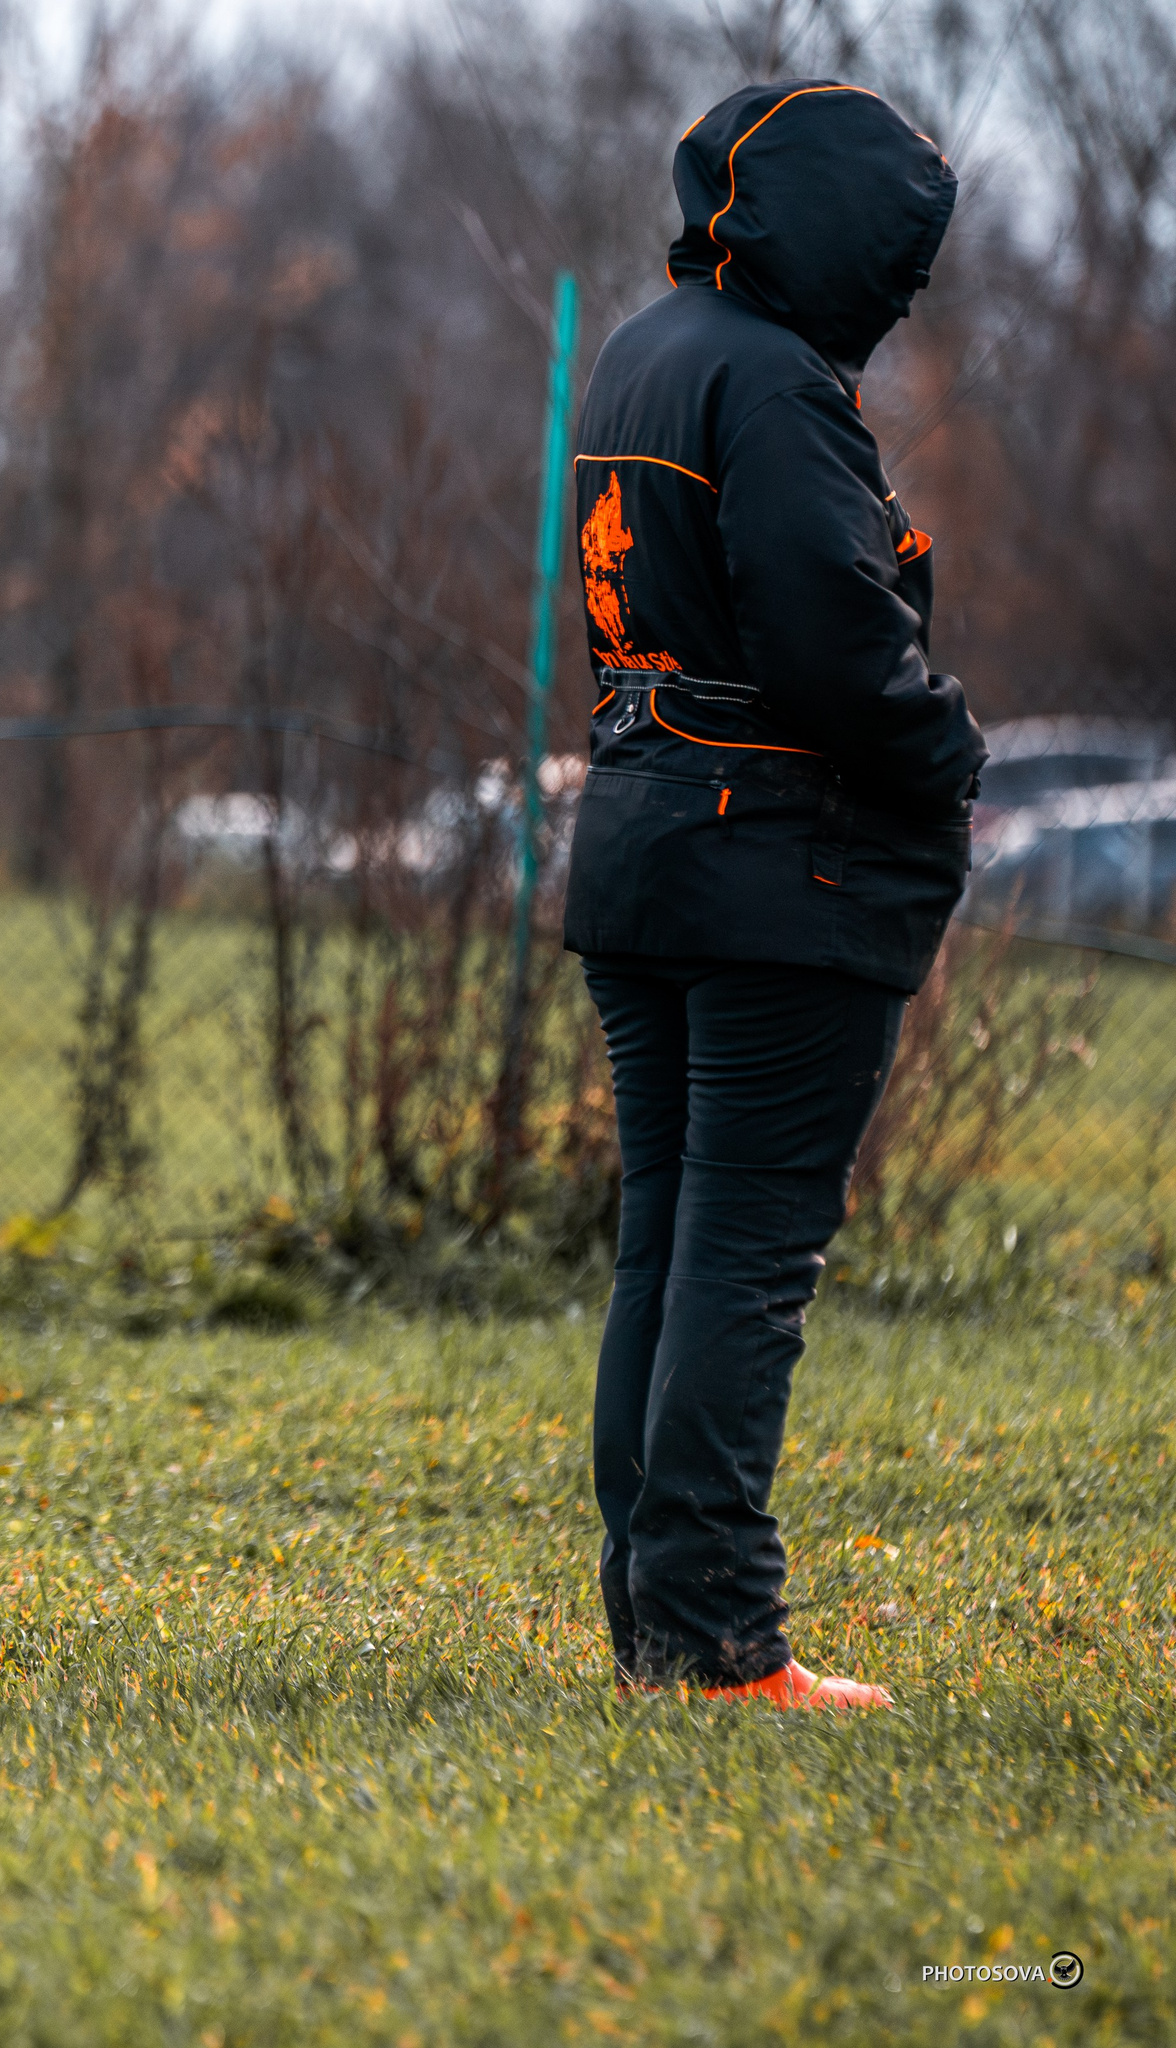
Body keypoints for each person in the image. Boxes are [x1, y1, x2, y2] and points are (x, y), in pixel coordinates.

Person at [564, 79, 985, 1707]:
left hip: (643, 844)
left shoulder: (641, 353)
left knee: (665, 1250)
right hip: (776, 868)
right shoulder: (780, 385)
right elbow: (830, 640)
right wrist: (947, 747)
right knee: (746, 1260)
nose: (904, 292)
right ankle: (723, 1640)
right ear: (831, 235)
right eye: (896, 257)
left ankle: (657, 1623)